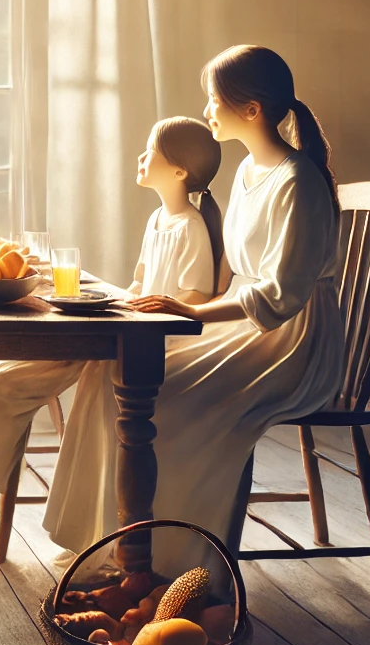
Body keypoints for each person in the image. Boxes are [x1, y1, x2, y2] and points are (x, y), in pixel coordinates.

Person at [41, 44, 345, 573]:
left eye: (214, 99)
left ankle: (172, 561)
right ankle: (105, 540)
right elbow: (234, 272)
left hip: (290, 338)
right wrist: (174, 309)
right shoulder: (251, 170)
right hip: (242, 320)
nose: (207, 110)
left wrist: (190, 314)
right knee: (110, 373)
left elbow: (281, 294)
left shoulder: (298, 181)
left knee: (162, 397)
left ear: (250, 109)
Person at [0, 116, 226, 535]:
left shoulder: (191, 228)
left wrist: (139, 308)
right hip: (118, 327)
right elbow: (138, 285)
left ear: (179, 171)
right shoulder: (158, 220)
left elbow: (193, 300)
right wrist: (101, 300)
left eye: (152, 152)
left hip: (141, 344)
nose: (141, 157)